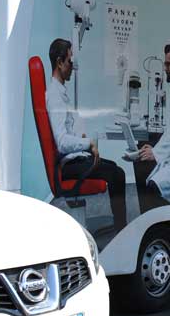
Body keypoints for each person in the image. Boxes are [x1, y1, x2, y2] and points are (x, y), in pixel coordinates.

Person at [46, 38, 128, 230]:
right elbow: (61, 142)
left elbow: (66, 131)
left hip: (73, 160)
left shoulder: (59, 93)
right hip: (69, 166)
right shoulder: (55, 96)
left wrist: (80, 138)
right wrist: (88, 144)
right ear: (59, 62)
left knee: (114, 167)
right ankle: (121, 229)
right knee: (117, 174)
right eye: (69, 61)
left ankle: (120, 227)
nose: (72, 67)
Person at [129, 43, 170, 208]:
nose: (164, 68)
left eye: (167, 64)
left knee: (152, 188)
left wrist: (156, 152)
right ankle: (148, 220)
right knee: (140, 161)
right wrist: (152, 148)